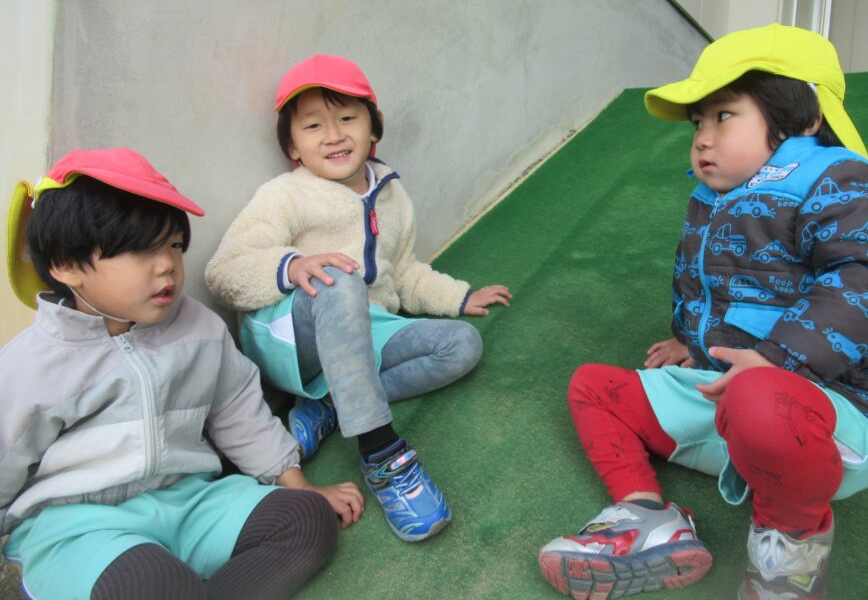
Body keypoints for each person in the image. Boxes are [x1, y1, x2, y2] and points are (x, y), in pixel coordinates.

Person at [539, 24, 868, 599]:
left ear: (803, 117)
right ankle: (648, 516)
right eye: (697, 123)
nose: (703, 139)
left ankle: (791, 552)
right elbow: (709, 285)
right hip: (732, 399)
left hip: (831, 415)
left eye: (724, 116)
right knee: (592, 386)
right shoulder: (715, 196)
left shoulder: (837, 178)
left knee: (758, 396)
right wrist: (689, 339)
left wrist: (779, 360)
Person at [1, 148, 364, 600]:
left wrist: (302, 488)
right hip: (80, 529)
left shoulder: (199, 330)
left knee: (306, 519)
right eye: (141, 249)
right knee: (153, 586)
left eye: (173, 244)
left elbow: (239, 413)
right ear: (67, 265)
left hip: (189, 502)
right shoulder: (30, 365)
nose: (167, 265)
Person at [205, 54, 511, 542]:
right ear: (292, 146)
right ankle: (382, 453)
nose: (333, 135)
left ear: (374, 127)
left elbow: (403, 270)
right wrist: (292, 266)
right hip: (292, 337)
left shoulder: (392, 194)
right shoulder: (284, 195)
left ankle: (331, 404)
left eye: (347, 118)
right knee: (339, 277)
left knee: (461, 345)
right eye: (313, 126)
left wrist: (458, 296)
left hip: (364, 330)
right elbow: (223, 273)